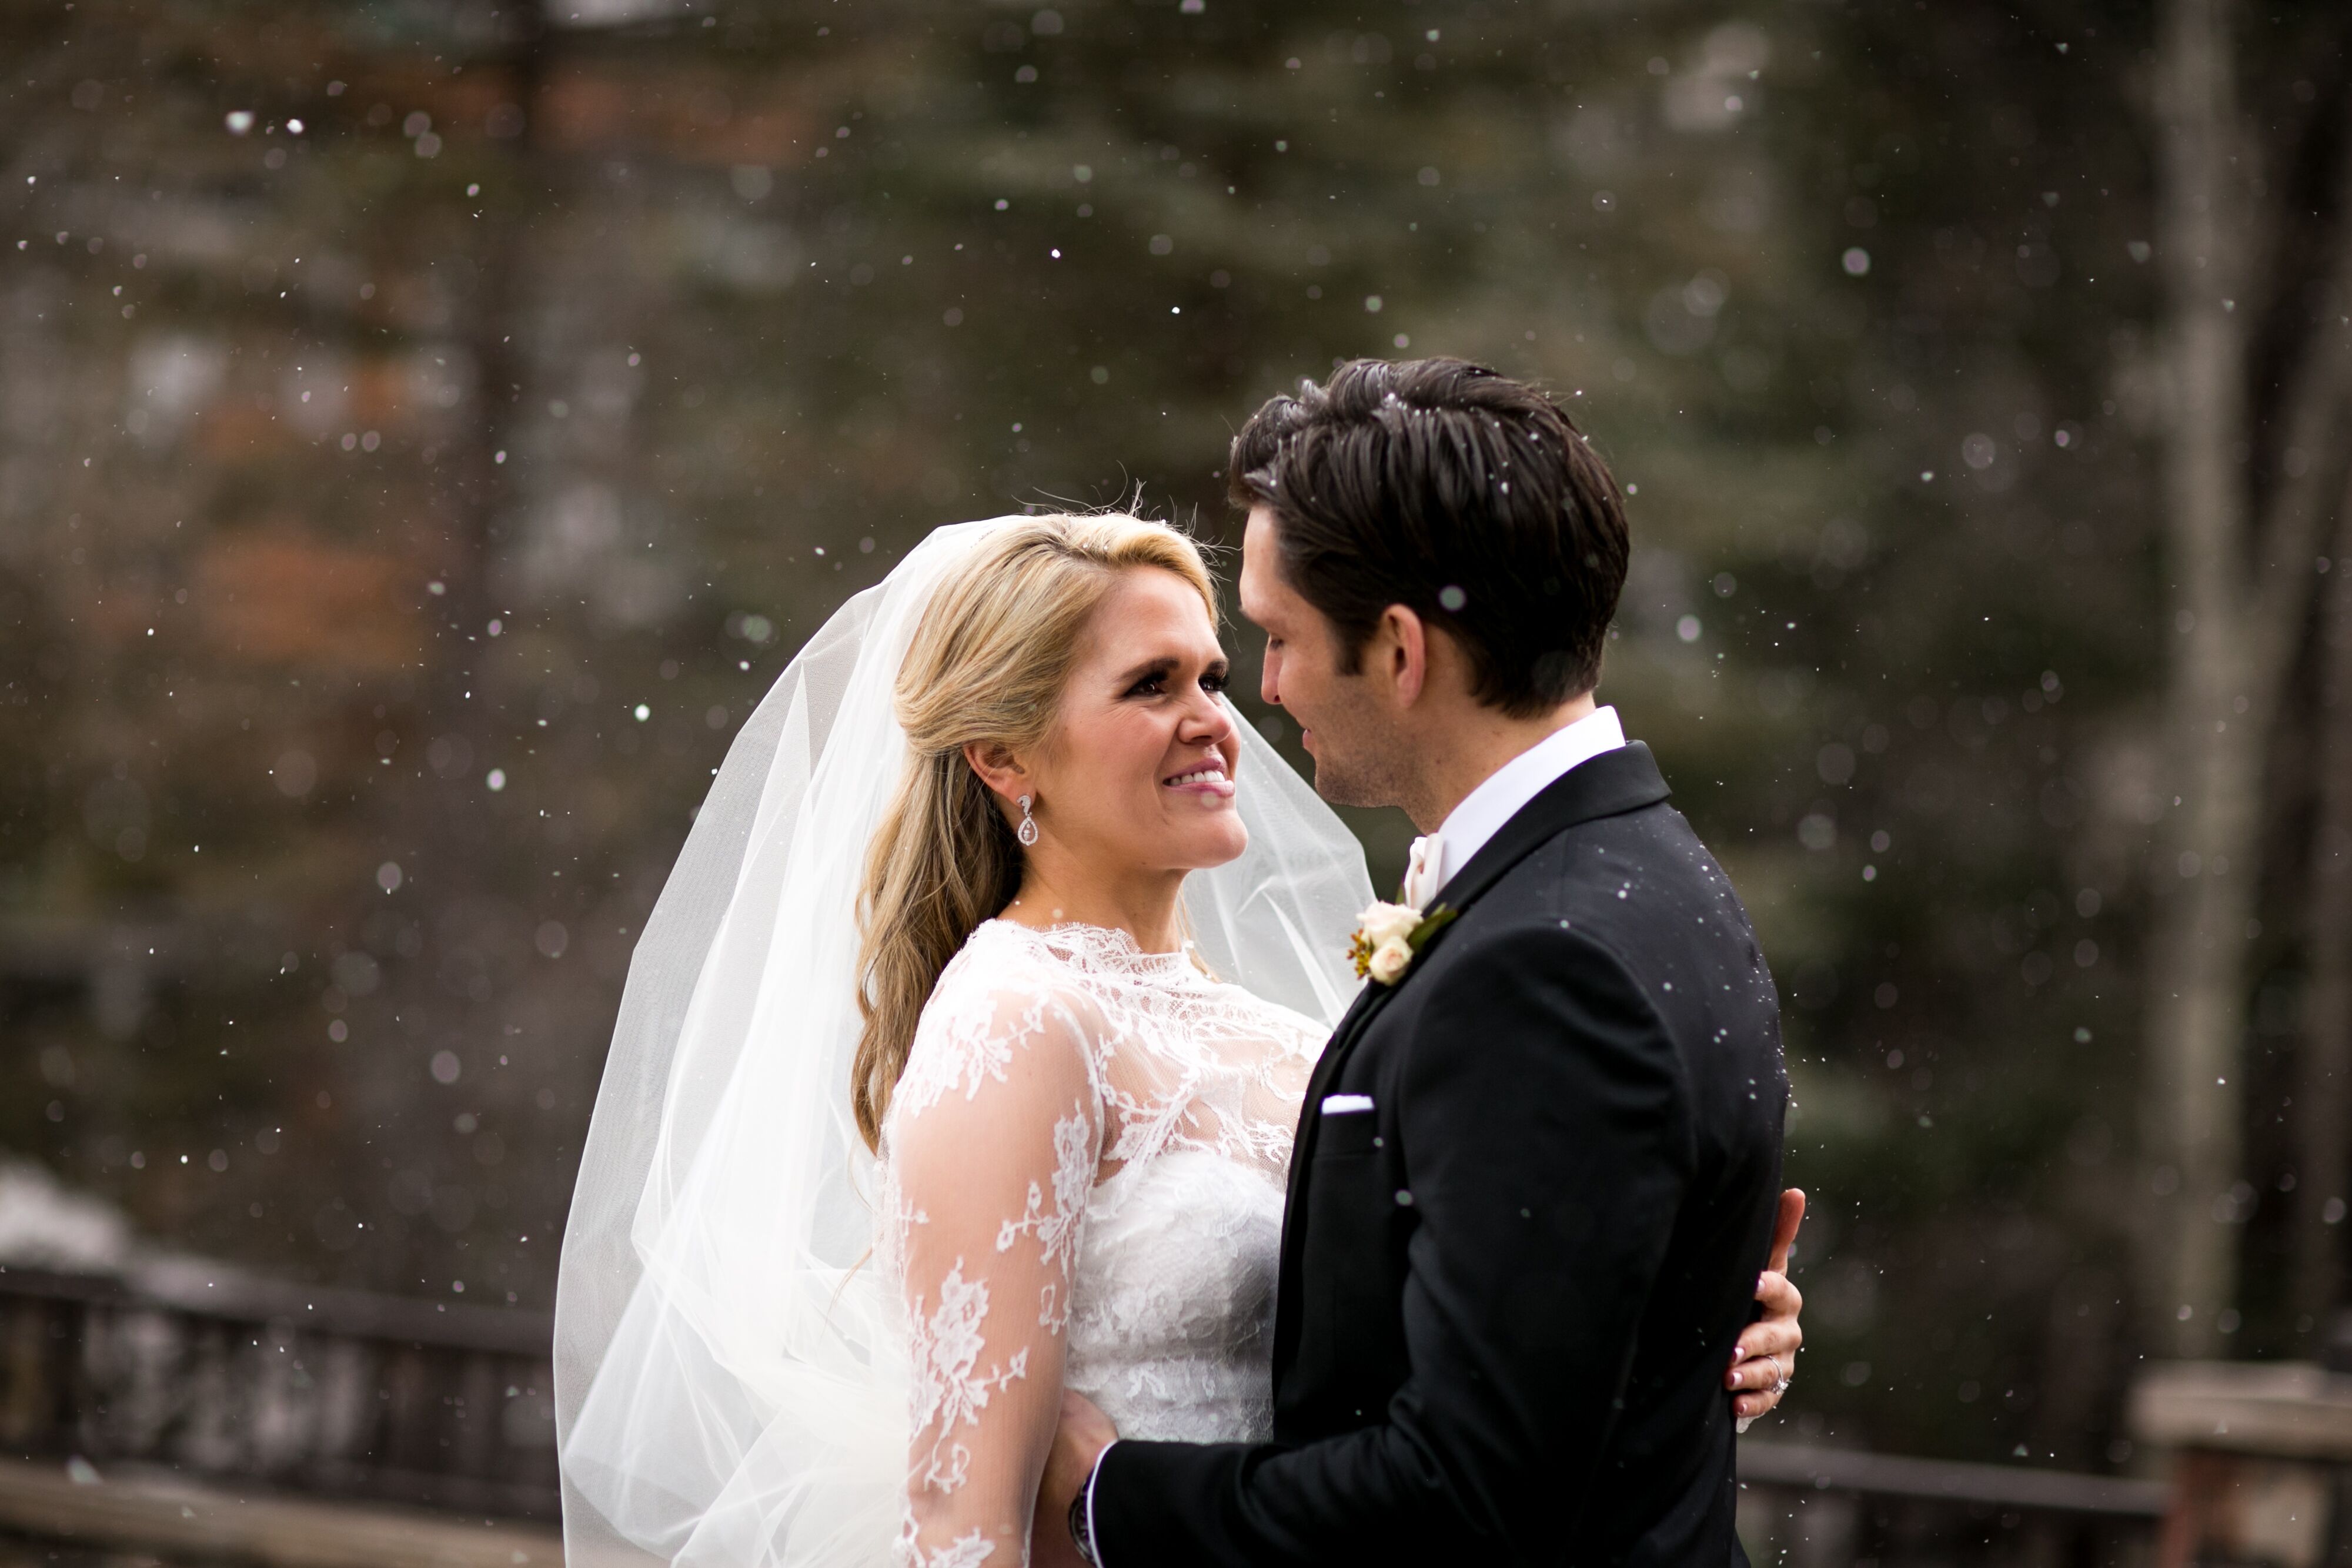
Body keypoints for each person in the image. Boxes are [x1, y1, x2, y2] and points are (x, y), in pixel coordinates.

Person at [554, 485, 1798, 1567]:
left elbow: (1463, 1364)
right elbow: (957, 1509)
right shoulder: (1016, 1019)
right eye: (1151, 685)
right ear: (1002, 756)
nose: (1218, 713)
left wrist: (1680, 1328)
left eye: (1210, 671)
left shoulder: (1290, 1024)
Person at [1034, 359, 1793, 1567]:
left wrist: (1109, 1497)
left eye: (1276, 639)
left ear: (1397, 649)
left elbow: (1462, 1492)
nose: (1262, 693)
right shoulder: (1648, 875)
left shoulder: (1540, 965)